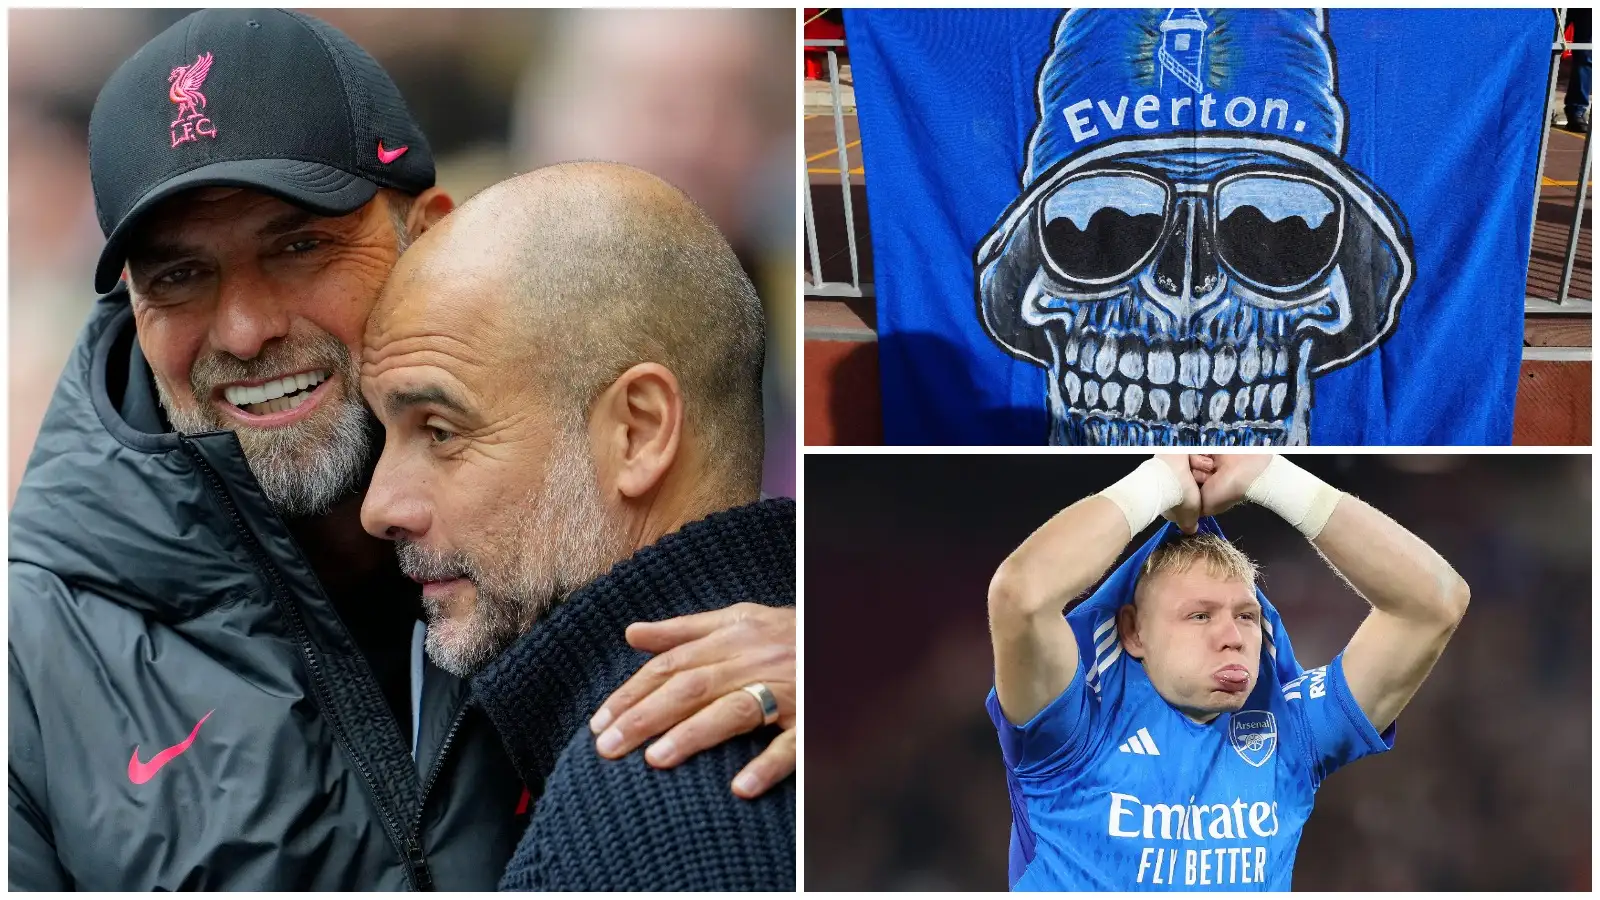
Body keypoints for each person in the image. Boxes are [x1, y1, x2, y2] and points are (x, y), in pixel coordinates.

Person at [8, 9, 794, 891]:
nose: (244, 327)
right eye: (178, 277)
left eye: (300, 247)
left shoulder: (561, 492)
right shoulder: (28, 665)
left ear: (427, 229)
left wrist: (823, 663)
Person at [358, 162, 794, 891]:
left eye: (439, 430)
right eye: (385, 434)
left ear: (638, 432)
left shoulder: (651, 815)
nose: (379, 506)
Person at [985, 454, 1470, 890]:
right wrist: (1154, 484)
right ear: (1133, 632)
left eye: (1246, 615)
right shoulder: (1072, 733)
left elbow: (1435, 603)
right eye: (1199, 615)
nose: (1233, 636)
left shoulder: (1290, 733)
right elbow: (1019, 595)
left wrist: (1276, 478)